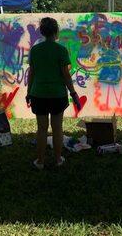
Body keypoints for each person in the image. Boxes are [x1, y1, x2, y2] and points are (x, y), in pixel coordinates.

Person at [26, 17, 81, 170]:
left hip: (38, 94)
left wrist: (28, 93)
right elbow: (66, 75)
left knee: (42, 128)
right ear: (56, 31)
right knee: (57, 128)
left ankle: (40, 161)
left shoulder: (35, 50)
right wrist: (73, 93)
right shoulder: (61, 50)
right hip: (57, 95)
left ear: (42, 32)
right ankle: (58, 159)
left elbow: (32, 74)